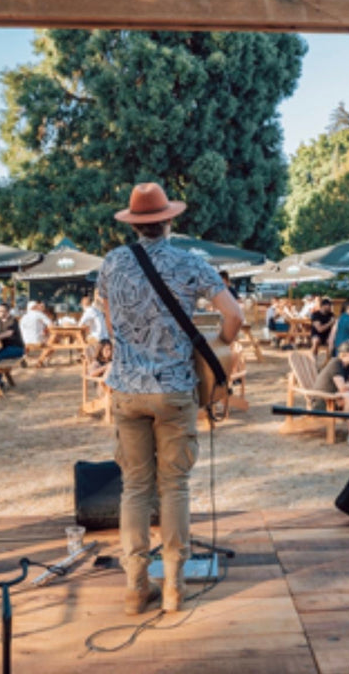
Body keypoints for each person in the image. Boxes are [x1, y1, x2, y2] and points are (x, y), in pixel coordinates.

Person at [95, 182, 242, 617]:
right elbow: (233, 315)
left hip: (126, 388)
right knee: (175, 485)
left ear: (135, 224)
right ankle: (175, 587)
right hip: (175, 387)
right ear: (169, 220)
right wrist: (218, 345)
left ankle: (135, 589)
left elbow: (107, 319)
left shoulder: (112, 263)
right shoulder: (189, 262)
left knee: (136, 488)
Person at [0, 304, 25, 387]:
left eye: (3, 311)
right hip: (6, 348)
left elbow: (9, 333)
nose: (0, 313)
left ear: (8, 312)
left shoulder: (12, 320)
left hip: (17, 348)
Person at [309, 297, 335, 363]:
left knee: (333, 341)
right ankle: (314, 358)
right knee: (316, 340)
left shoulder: (331, 315)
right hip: (317, 334)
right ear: (323, 306)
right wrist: (330, 323)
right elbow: (319, 329)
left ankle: (329, 360)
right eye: (329, 306)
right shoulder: (316, 315)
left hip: (327, 335)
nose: (330, 308)